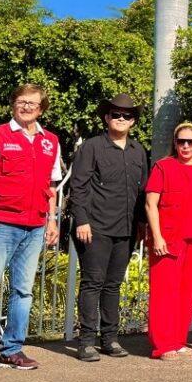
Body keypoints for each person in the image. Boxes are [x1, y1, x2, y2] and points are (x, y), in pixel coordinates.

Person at [0, 84, 63, 378]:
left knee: (23, 291)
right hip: (1, 224)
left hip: (35, 225)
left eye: (32, 103)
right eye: (20, 101)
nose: (26, 106)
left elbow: (51, 186)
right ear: (13, 105)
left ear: (41, 108)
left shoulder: (50, 142)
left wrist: (52, 220)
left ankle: (12, 351)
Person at [67, 94, 149, 362]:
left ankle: (110, 338)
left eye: (126, 116)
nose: (121, 119)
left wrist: (141, 224)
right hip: (95, 227)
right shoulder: (91, 147)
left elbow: (141, 192)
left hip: (125, 229)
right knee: (93, 283)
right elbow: (78, 186)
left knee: (113, 285)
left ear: (133, 121)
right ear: (106, 118)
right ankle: (87, 342)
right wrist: (82, 220)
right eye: (116, 115)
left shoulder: (138, 151)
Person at [145, 122, 192, 361]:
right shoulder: (163, 167)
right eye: (181, 141)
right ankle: (162, 345)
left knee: (187, 293)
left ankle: (178, 340)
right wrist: (157, 236)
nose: (185, 146)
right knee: (164, 294)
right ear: (175, 143)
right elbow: (151, 204)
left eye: (190, 142)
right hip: (169, 241)